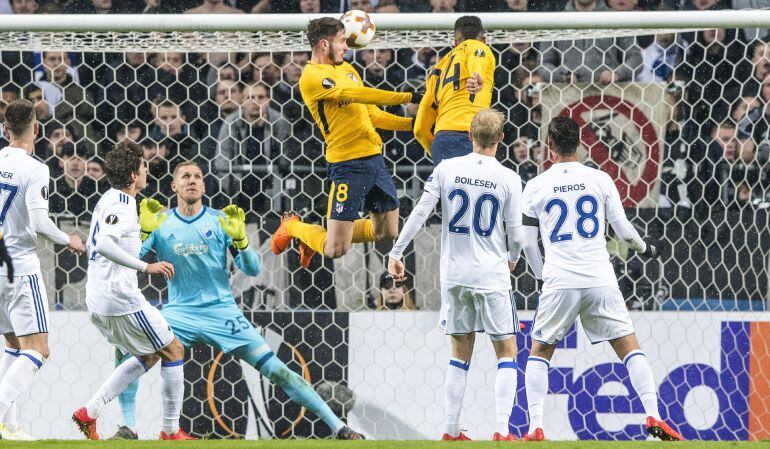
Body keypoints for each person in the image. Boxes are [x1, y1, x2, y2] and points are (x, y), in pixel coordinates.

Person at [134, 161, 365, 440]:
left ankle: (339, 428)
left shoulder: (220, 220)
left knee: (279, 371)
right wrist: (144, 234)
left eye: (197, 176)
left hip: (222, 313)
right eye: (185, 176)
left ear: (205, 186)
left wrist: (241, 240)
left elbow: (254, 269)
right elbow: (133, 259)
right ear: (174, 185)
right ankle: (122, 424)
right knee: (132, 357)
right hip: (179, 313)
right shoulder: (160, 222)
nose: (192, 180)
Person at [518, 116, 684, 442]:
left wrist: (543, 277)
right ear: (579, 143)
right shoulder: (601, 179)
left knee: (540, 352)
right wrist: (647, 248)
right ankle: (653, 414)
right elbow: (623, 230)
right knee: (629, 348)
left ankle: (535, 426)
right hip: (600, 278)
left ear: (548, 146)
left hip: (560, 280)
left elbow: (526, 243)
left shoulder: (536, 186)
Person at [388, 109, 523, 441]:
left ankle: (450, 430)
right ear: (501, 138)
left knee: (459, 353)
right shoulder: (508, 177)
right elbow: (516, 234)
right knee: (507, 352)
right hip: (492, 274)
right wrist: (513, 259)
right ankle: (502, 431)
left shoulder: (446, 169)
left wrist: (396, 251)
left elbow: (421, 211)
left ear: (469, 135)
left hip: (454, 276)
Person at [271, 17, 419, 268]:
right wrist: (408, 96)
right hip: (347, 165)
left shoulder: (348, 70)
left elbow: (372, 114)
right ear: (324, 44)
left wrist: (413, 126)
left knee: (387, 230)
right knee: (335, 248)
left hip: (374, 159)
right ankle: (294, 227)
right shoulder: (312, 77)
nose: (347, 47)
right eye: (342, 41)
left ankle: (318, 235)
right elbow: (353, 94)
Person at [71, 141, 192, 441]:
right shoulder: (122, 205)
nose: (147, 171)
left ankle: (90, 412)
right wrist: (145, 267)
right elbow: (104, 243)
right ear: (134, 176)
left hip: (101, 296)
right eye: (143, 167)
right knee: (174, 349)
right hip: (119, 298)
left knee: (150, 354)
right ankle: (170, 431)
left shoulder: (109, 198)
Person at [0, 99, 84, 440]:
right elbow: (39, 222)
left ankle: (11, 426)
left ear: (6, 129)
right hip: (20, 267)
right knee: (38, 349)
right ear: (36, 129)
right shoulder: (35, 168)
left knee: (13, 344)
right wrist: (69, 239)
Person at [413, 16, 495, 165]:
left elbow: (419, 129)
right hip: (470, 137)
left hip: (441, 140)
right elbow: (477, 59)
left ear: (456, 42)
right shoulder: (479, 46)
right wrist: (477, 77)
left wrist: (437, 152)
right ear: (484, 40)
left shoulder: (436, 70)